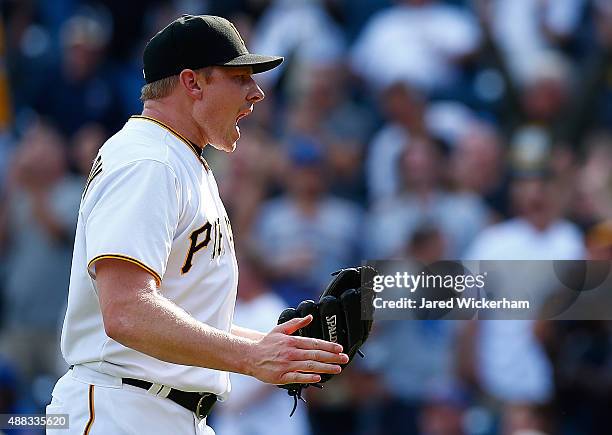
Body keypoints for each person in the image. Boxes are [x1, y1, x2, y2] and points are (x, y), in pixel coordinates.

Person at [46, 15, 348, 435]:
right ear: (192, 83)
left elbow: (178, 312)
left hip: (165, 410)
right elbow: (127, 311)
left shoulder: (182, 160)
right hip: (124, 409)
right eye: (240, 77)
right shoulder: (147, 162)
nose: (256, 93)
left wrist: (274, 347)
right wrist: (247, 356)